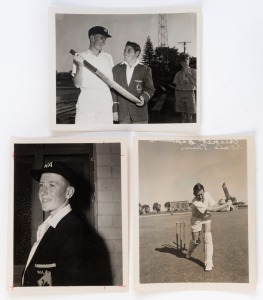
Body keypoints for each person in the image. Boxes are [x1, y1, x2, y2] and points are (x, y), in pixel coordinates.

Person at [22, 161, 112, 286]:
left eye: (52, 185)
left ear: (68, 193)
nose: (43, 191)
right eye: (41, 185)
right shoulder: (50, 226)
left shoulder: (75, 232)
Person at [72, 26, 114, 124]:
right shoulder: (79, 57)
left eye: (105, 39)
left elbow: (111, 82)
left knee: (105, 137)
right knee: (85, 137)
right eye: (102, 38)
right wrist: (80, 66)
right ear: (92, 38)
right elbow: (77, 84)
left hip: (105, 106)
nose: (104, 41)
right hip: (86, 106)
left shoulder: (108, 57)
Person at [186, 183, 232, 271]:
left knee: (208, 238)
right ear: (194, 194)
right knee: (196, 241)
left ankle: (209, 262)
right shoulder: (195, 202)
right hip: (196, 220)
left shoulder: (207, 195)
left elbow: (214, 206)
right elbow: (213, 209)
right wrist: (227, 204)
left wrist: (226, 208)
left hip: (206, 217)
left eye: (201, 194)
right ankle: (189, 251)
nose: (200, 196)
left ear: (204, 191)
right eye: (198, 195)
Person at [112, 41, 155, 124]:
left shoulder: (145, 69)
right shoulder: (116, 69)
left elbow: (150, 88)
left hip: (140, 114)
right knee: (124, 137)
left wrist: (143, 98)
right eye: (124, 50)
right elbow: (113, 92)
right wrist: (115, 111)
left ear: (137, 53)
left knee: (140, 137)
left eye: (129, 50)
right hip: (122, 114)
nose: (125, 53)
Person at [173, 54, 197, 123]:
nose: (183, 64)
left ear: (189, 61)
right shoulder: (178, 73)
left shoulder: (194, 71)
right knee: (182, 114)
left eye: (185, 61)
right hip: (180, 94)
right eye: (181, 62)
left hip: (189, 93)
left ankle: (189, 130)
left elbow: (196, 83)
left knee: (189, 115)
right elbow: (176, 85)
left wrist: (188, 74)